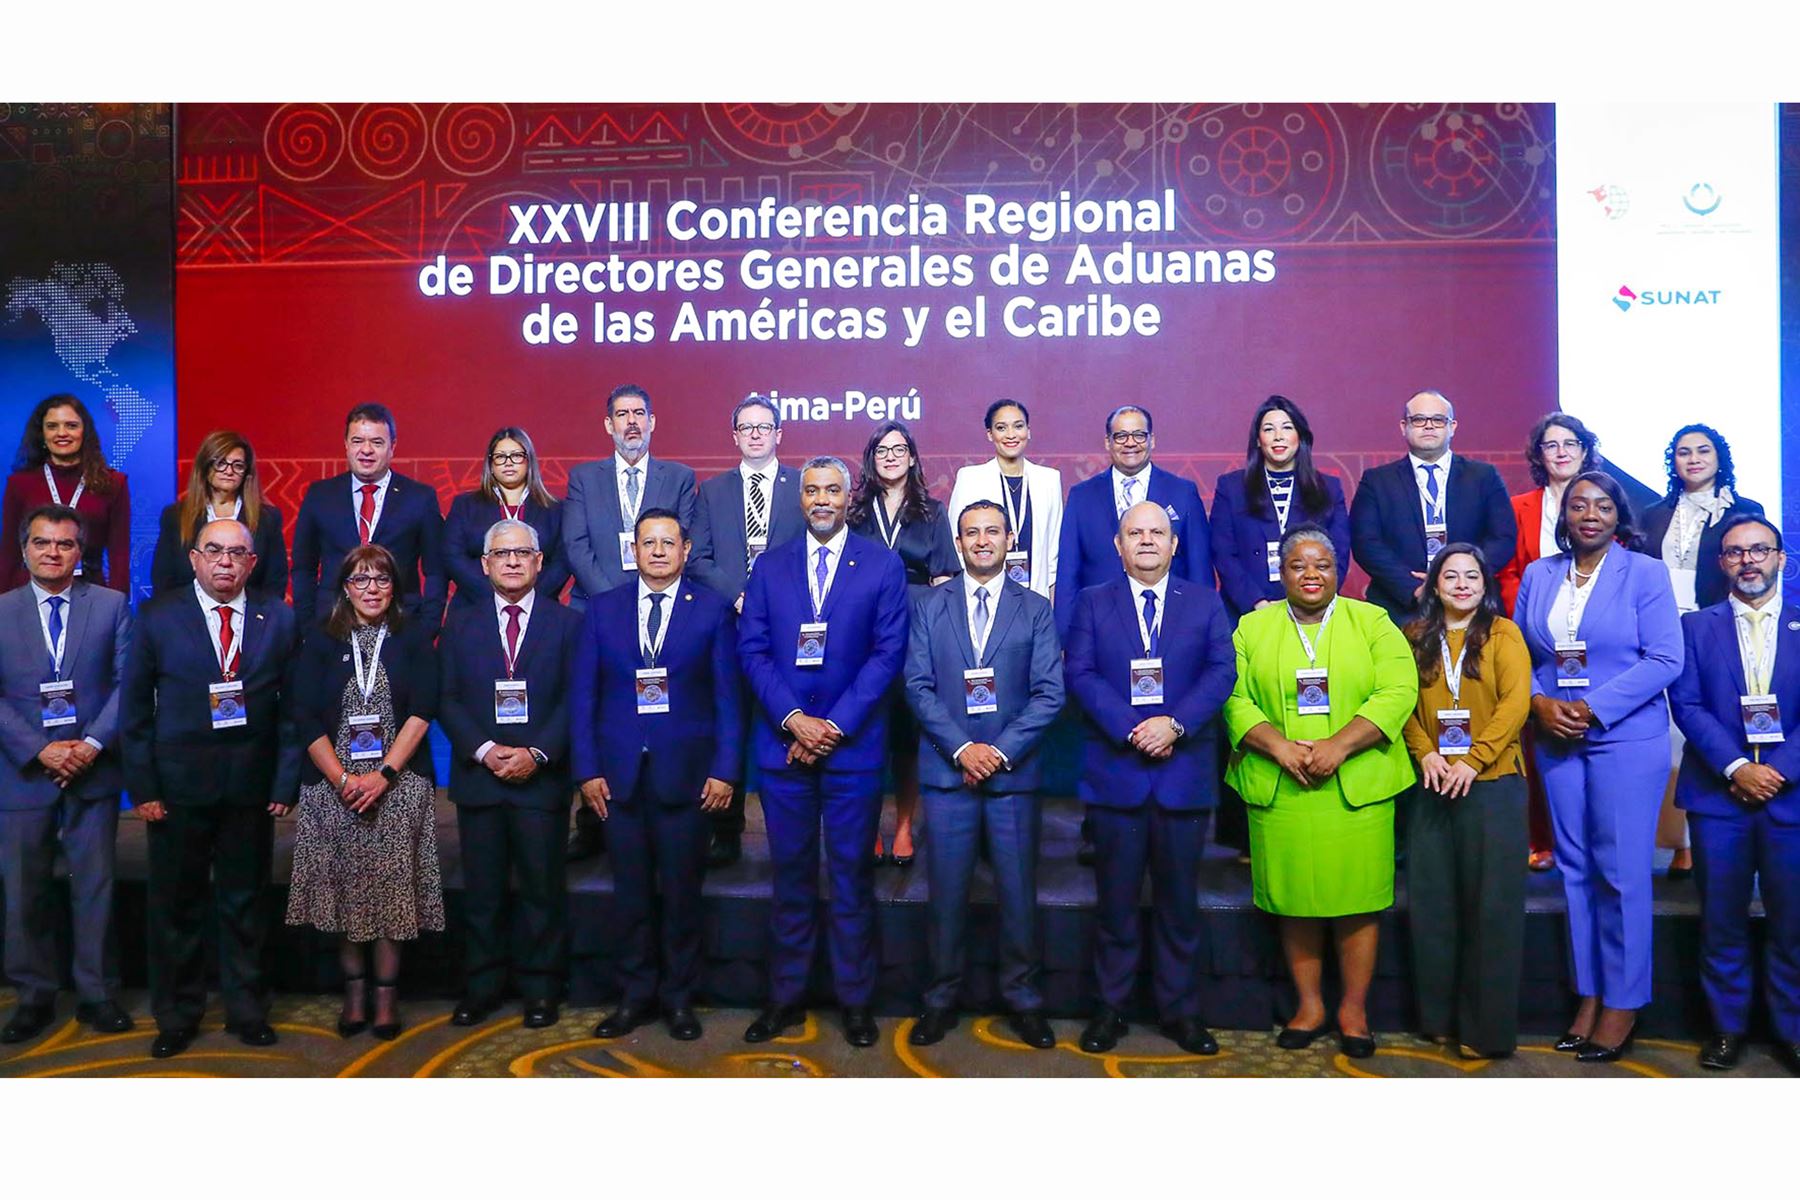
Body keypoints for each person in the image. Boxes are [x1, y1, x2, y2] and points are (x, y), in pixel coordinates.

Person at [1224, 524, 1418, 1057]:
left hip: (1356, 785)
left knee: (1357, 902)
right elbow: (1233, 696)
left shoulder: (1372, 620)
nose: (1310, 574)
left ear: (1338, 571)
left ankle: (1353, 1009)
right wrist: (1278, 747)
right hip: (1280, 782)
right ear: (1281, 573)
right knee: (1296, 900)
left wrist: (1340, 745)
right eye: (1297, 566)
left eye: (1322, 565)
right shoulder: (1252, 627)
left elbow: (1398, 690)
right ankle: (1309, 1006)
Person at [737, 456, 908, 1048]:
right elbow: (752, 650)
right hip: (783, 749)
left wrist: (831, 726)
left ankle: (856, 1002)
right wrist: (794, 720)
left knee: (852, 877)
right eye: (812, 490)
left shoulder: (882, 564)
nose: (821, 499)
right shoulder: (769, 565)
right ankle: (784, 999)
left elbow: (888, 654)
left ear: (847, 496)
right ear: (800, 497)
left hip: (851, 750)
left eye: (833, 490)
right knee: (790, 878)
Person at [1514, 470, 1682, 1062]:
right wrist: (1538, 703)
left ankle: (1625, 999)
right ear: (1564, 515)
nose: (1589, 513)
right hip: (1556, 737)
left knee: (1622, 872)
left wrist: (1591, 707)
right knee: (1576, 870)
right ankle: (1590, 992)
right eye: (1578, 504)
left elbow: (1666, 657)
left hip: (1623, 737)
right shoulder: (1539, 575)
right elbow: (1522, 653)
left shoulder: (1645, 573)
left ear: (1618, 516)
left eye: (1602, 506)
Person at [121, 518, 301, 1059]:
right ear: (195, 559)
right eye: (214, 551)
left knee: (246, 905)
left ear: (252, 562)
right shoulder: (156, 617)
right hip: (176, 790)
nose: (225, 562)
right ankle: (177, 1015)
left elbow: (292, 710)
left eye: (237, 553)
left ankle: (248, 1011)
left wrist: (284, 779)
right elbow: (134, 714)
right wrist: (144, 787)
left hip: (250, 787)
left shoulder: (280, 617)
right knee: (176, 907)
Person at [1065, 500, 1237, 1054]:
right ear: (1117, 546)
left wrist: (1176, 725)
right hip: (1118, 776)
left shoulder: (1207, 604)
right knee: (1114, 905)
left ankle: (1180, 1013)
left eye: (1156, 532)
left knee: (1179, 907)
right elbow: (1080, 673)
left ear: (1174, 544)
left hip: (1181, 776)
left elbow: (1221, 673)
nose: (1145, 541)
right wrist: (1132, 728)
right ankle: (1110, 1010)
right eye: (1134, 533)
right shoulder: (1092, 603)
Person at [571, 508, 740, 1042]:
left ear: (687, 550)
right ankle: (635, 996)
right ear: (634, 551)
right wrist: (587, 769)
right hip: (618, 780)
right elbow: (584, 698)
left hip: (688, 779)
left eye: (669, 542)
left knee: (683, 896)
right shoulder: (601, 610)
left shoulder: (712, 611)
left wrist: (726, 771)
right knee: (631, 897)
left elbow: (728, 701)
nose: (660, 552)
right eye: (649, 543)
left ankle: (679, 999)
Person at [903, 498, 1064, 1048]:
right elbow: (917, 687)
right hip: (949, 776)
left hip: (1012, 777)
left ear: (1009, 537)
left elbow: (1049, 694)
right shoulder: (928, 605)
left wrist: (996, 752)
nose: (981, 541)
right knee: (944, 895)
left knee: (1019, 896)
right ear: (959, 540)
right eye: (971, 532)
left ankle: (1023, 1000)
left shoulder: (1036, 607)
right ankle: (939, 1000)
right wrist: (962, 749)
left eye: (992, 531)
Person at [285, 544, 443, 1040]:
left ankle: (385, 997)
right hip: (334, 787)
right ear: (345, 588)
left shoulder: (413, 636)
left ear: (394, 587)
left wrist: (385, 776)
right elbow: (304, 715)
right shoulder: (319, 638)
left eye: (381, 580)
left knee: (392, 893)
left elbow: (423, 708)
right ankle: (354, 991)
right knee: (346, 889)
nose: (371, 589)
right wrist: (342, 779)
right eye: (360, 580)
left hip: (398, 784)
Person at [1667, 513, 1800, 1074]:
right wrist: (1737, 767)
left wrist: (1779, 771)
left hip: (1791, 800)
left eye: (1759, 550)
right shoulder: (1696, 627)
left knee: (1792, 924)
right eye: (1736, 552)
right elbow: (1688, 705)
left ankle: (1791, 1030)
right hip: (1720, 799)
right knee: (1721, 921)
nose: (1749, 560)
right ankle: (1727, 1029)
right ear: (1722, 562)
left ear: (1780, 559)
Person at [439, 518, 583, 1031]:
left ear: (541, 562)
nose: (514, 561)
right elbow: (447, 697)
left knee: (542, 891)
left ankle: (541, 988)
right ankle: (481, 986)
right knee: (482, 893)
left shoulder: (567, 623)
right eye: (503, 554)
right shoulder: (460, 621)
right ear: (485, 565)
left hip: (540, 780)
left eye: (524, 552)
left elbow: (576, 700)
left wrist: (538, 753)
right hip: (481, 778)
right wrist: (485, 750)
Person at [0, 505, 133, 1042]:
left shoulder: (111, 605)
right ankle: (32, 995)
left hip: (92, 769)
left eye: (64, 544)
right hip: (22, 773)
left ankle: (98, 994)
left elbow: (130, 683)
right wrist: (40, 750)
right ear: (24, 549)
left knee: (95, 887)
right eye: (42, 543)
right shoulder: (1, 611)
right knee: (23, 891)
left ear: (81, 553)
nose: (53, 552)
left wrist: (93, 744)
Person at [1400, 544, 1531, 1058]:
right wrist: (1426, 753)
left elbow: (1514, 706)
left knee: (1490, 912)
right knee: (1432, 906)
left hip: (1491, 784)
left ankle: (1485, 1030)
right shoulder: (1413, 638)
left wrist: (1472, 761)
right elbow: (1401, 702)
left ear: (1484, 584)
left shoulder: (1504, 634)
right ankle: (1437, 1017)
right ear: (1434, 584)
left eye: (1471, 576)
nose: (1461, 585)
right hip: (1434, 783)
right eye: (1450, 576)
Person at [561, 384, 698, 863]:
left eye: (640, 413)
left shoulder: (679, 477)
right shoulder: (584, 478)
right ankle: (591, 820)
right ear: (608, 425)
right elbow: (576, 546)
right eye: (622, 415)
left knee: (665, 713)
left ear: (653, 421)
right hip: (598, 613)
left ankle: (670, 813)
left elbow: (684, 541)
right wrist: (616, 605)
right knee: (599, 712)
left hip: (666, 609)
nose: (632, 422)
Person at [1640, 424, 1765, 881]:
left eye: (1702, 450)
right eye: (1682, 452)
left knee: (1708, 726)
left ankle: (1709, 836)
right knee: (1669, 736)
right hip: (1657, 632)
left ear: (1719, 457)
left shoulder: (1745, 511)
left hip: (1715, 630)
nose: (1693, 459)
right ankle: (1678, 844)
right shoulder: (1651, 514)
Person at [688, 394, 802, 868]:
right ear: (734, 436)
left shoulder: (803, 486)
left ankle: (790, 828)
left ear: (779, 434)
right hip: (729, 624)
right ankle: (726, 828)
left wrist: (772, 605)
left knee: (783, 719)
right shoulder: (712, 492)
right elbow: (698, 558)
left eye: (764, 426)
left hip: (790, 628)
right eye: (746, 427)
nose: (755, 434)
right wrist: (741, 596)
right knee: (728, 722)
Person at [1495, 413, 1604, 873]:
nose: (1560, 451)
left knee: (1591, 730)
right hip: (1534, 633)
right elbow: (1508, 570)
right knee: (1537, 735)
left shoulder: (1605, 501)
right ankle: (1541, 838)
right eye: (1550, 445)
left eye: (1570, 443)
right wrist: (1534, 614)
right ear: (1538, 455)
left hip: (1596, 635)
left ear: (1585, 449)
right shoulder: (1520, 506)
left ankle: (1595, 840)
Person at [847, 420, 958, 866]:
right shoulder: (853, 514)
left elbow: (946, 577)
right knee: (866, 732)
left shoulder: (933, 512)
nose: (891, 456)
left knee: (907, 736)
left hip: (916, 630)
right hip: (862, 633)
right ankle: (870, 824)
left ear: (912, 457)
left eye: (899, 449)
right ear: (872, 459)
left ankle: (906, 826)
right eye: (882, 450)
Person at [1349, 389, 1516, 624]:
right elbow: (1366, 544)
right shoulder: (1377, 481)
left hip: (1471, 604)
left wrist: (1462, 580)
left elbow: (1503, 537)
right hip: (1401, 606)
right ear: (1403, 426)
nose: (1429, 426)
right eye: (1419, 420)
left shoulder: (1483, 476)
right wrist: (1416, 588)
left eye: (1438, 420)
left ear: (1452, 427)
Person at [1054, 404, 1210, 637]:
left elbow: (1200, 569)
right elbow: (1068, 574)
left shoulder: (1182, 492)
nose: (1130, 443)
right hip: (1099, 627)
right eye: (1121, 436)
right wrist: (1065, 639)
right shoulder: (1081, 496)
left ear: (1152, 440)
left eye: (1139, 435)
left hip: (1171, 626)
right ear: (1108, 442)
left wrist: (1204, 629)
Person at [290, 402, 446, 630]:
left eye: (377, 442)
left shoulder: (420, 498)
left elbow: (436, 572)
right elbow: (303, 567)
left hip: (400, 626)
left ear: (392, 447)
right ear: (346, 445)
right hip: (332, 626)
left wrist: (427, 628)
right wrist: (308, 627)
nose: (366, 450)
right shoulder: (320, 495)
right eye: (357, 441)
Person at [1209, 395, 1350, 618]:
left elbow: (1339, 554)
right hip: (1248, 611)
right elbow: (1224, 553)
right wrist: (1256, 603)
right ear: (1258, 439)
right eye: (1268, 429)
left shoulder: (1328, 488)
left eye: (1287, 427)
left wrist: (1311, 602)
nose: (1278, 437)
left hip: (1312, 611)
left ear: (1300, 436)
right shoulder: (1231, 487)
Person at [0, 394, 131, 593]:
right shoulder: (20, 484)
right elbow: (10, 552)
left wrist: (118, 606)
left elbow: (119, 554)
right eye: (52, 426)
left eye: (71, 425)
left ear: (84, 432)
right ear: (42, 434)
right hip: (32, 592)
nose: (62, 433)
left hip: (90, 592)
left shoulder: (113, 483)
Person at [150, 430, 288, 603]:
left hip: (250, 619)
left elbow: (275, 581)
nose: (229, 471)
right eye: (221, 463)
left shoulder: (267, 518)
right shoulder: (175, 517)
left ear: (246, 472)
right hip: (187, 620)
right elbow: (163, 580)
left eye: (238, 465)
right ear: (205, 466)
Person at [443, 427, 568, 618]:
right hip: (474, 607)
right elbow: (453, 556)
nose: (508, 463)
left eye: (516, 455)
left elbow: (561, 562)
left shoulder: (554, 508)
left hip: (539, 610)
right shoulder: (465, 505)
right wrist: (497, 597)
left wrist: (527, 597)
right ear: (490, 464)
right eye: (500, 457)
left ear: (529, 461)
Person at [946, 399, 1064, 599]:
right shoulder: (970, 478)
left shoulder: (1049, 479)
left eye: (1018, 426)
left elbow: (1053, 551)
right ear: (990, 434)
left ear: (1028, 431)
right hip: (982, 594)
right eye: (1002, 428)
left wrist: (1050, 602)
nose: (1011, 435)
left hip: (1035, 596)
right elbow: (956, 544)